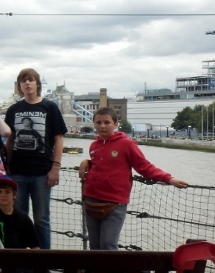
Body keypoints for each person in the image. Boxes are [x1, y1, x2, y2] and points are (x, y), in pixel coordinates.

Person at [78, 107, 188, 250]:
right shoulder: (94, 145)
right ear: (94, 124)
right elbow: (103, 163)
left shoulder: (127, 144)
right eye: (98, 122)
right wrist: (88, 162)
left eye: (107, 122)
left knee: (108, 244)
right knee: (95, 245)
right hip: (91, 199)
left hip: (114, 202)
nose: (102, 126)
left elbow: (144, 167)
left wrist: (169, 179)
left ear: (116, 124)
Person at [4, 69, 67, 250]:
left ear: (37, 84)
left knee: (41, 220)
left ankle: (43, 267)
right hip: (17, 172)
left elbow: (58, 138)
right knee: (18, 218)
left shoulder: (50, 107)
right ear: (19, 86)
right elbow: (9, 139)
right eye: (23, 81)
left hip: (42, 173)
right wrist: (6, 166)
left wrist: (55, 167)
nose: (27, 84)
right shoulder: (13, 110)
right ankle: (21, 266)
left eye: (31, 80)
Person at [0, 176, 39, 250]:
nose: (3, 195)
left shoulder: (23, 218)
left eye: (7, 192)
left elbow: (35, 246)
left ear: (14, 195)